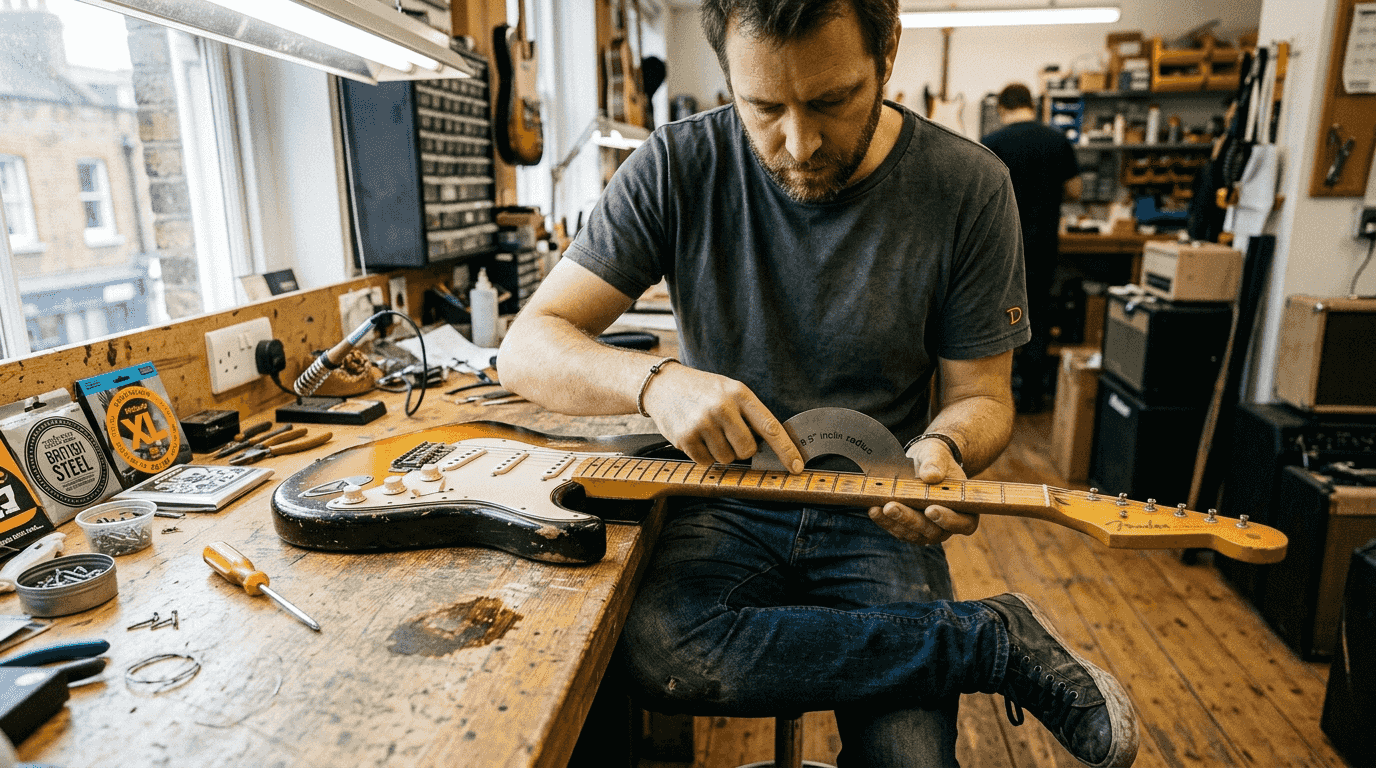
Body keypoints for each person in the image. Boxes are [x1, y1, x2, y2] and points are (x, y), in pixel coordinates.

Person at [499, 1, 1137, 766]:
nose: (798, 144)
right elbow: (528, 346)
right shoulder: (676, 165)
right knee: (666, 650)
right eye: (764, 107)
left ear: (888, 50)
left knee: (910, 760)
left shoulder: (970, 185)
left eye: (832, 101)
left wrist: (946, 444)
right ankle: (986, 641)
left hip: (880, 508)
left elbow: (985, 396)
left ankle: (961, 645)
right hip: (728, 499)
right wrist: (654, 382)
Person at [981, 83, 1082, 413]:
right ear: (1033, 105)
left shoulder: (992, 144)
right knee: (1037, 315)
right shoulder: (1057, 140)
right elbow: (1075, 191)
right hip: (1042, 246)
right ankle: (1033, 395)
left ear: (1001, 108)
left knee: (999, 320)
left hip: (1001, 248)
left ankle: (997, 397)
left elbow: (979, 198)